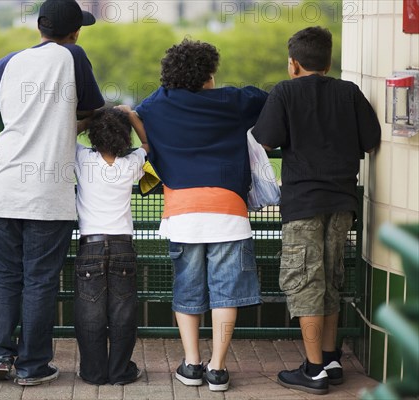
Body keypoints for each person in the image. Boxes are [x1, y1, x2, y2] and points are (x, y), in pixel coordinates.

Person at [0, 0, 105, 386]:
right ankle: (32, 365)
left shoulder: (12, 60)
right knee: (39, 280)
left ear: (40, 28)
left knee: (6, 275)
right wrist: (71, 124)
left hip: (5, 188)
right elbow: (94, 106)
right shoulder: (73, 55)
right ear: (74, 32)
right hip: (48, 192)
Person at [120, 39, 267, 392]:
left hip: (182, 212)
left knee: (188, 289)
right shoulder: (233, 100)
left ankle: (191, 363)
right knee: (225, 293)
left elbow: (137, 116)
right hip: (229, 210)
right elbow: (267, 99)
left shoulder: (157, 105)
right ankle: (217, 368)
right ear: (210, 74)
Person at [252, 26, 381, 396]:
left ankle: (313, 371)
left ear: (293, 64)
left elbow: (266, 138)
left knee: (306, 282)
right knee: (330, 279)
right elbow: (371, 141)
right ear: (327, 61)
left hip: (304, 203)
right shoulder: (349, 92)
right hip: (343, 202)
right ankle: (330, 358)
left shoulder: (284, 91)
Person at [73, 108, 148, 385]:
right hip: (122, 247)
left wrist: (90, 119)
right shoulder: (131, 163)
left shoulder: (82, 157)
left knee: (89, 311)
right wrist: (133, 117)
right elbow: (149, 145)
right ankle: (120, 371)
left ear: (94, 135)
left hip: (90, 246)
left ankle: (93, 372)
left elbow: (66, 135)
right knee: (123, 312)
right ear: (125, 138)